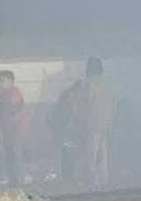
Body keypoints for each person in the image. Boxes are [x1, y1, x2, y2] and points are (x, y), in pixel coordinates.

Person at [75, 57, 116, 188]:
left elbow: (85, 105)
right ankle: (104, 179)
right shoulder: (107, 85)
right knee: (103, 152)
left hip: (92, 123)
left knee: (91, 154)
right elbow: (113, 105)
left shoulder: (88, 85)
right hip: (106, 123)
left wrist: (80, 121)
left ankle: (92, 181)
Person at [0, 70, 29, 186]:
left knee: (15, 160)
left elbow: (15, 115)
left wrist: (6, 131)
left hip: (15, 133)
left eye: (2, 80)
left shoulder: (13, 95)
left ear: (10, 82)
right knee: (11, 160)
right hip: (10, 133)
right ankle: (14, 185)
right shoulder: (5, 95)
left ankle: (19, 186)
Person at [47, 79, 81, 181]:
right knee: (65, 151)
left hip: (60, 127)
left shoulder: (66, 95)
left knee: (63, 150)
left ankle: (59, 174)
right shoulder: (70, 97)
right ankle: (64, 175)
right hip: (63, 128)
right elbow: (70, 113)